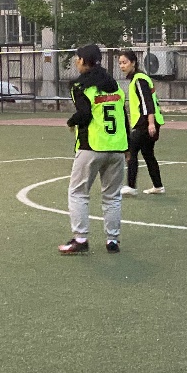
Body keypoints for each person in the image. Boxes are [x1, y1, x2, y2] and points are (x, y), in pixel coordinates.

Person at [60, 44, 128, 255]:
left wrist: (71, 121)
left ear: (83, 61)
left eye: (77, 58)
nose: (76, 62)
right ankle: (112, 240)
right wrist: (128, 147)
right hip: (117, 147)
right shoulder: (115, 86)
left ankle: (80, 239)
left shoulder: (81, 87)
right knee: (112, 196)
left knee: (78, 193)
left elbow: (84, 114)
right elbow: (123, 116)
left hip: (92, 146)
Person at [117, 49, 165, 196]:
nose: (122, 66)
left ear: (133, 63)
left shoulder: (139, 79)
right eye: (120, 63)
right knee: (148, 154)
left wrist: (151, 123)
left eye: (124, 62)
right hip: (148, 122)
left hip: (145, 123)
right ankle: (158, 186)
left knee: (131, 150)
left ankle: (131, 186)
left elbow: (147, 102)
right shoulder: (137, 78)